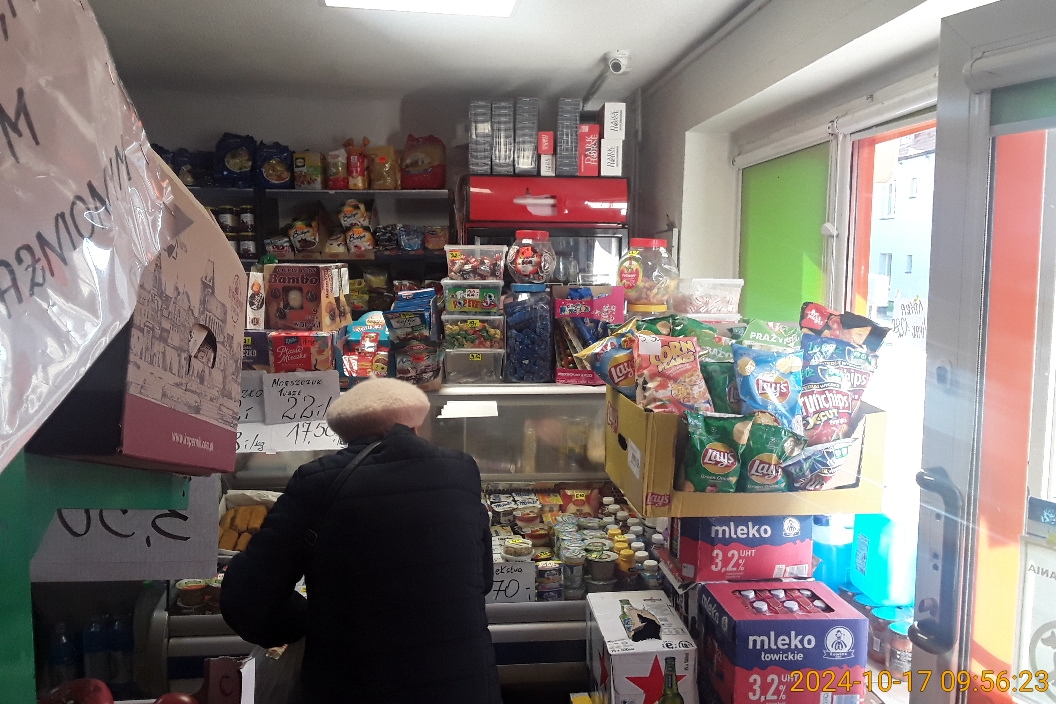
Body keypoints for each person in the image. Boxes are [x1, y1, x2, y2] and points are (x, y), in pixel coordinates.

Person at [221, 378, 501, 703]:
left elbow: (246, 601)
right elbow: (482, 580)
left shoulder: (317, 481)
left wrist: (310, 622)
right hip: (465, 685)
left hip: (356, 684)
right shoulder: (462, 471)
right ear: (414, 424)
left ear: (346, 435)